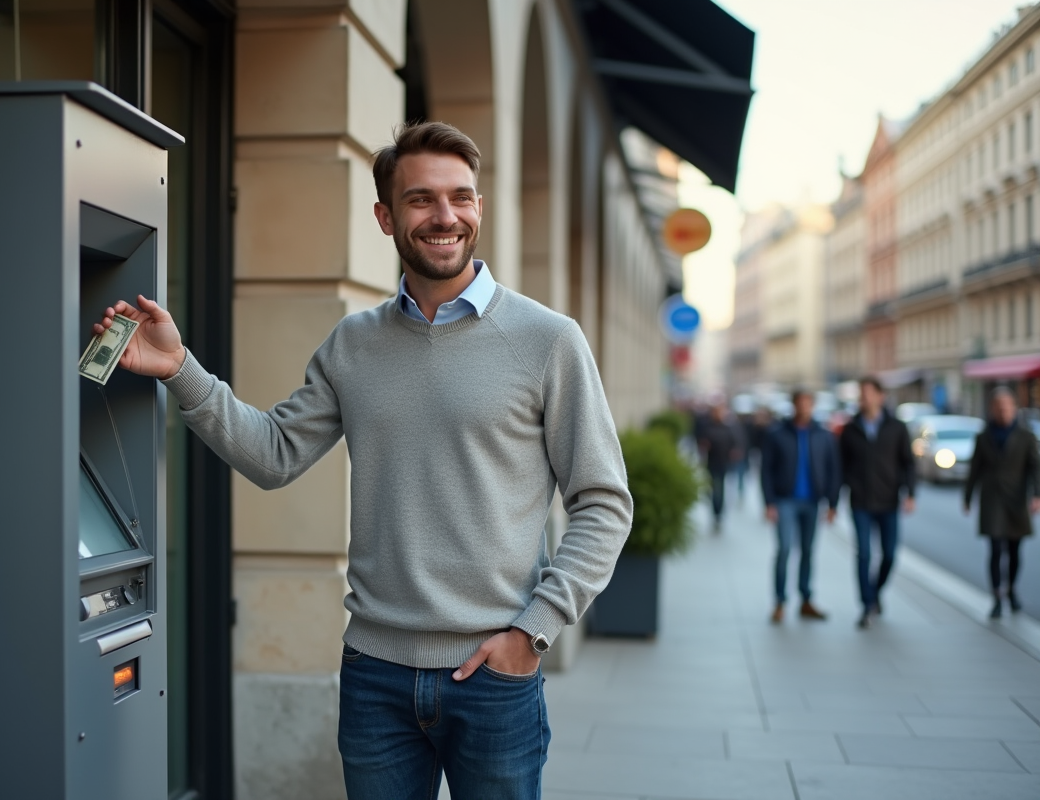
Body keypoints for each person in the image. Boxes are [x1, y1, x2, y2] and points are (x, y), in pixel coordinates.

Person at [91, 121, 633, 799]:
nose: (445, 217)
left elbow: (603, 502)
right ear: (385, 216)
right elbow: (274, 454)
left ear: (479, 207)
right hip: (376, 674)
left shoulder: (548, 340)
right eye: (421, 199)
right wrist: (180, 369)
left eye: (461, 197)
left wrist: (534, 631)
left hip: (495, 675)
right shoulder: (354, 343)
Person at [838, 376, 916, 629]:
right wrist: (834, 500)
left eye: (869, 393)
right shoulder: (851, 428)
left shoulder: (896, 427)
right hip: (860, 501)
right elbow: (841, 466)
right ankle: (867, 604)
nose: (864, 399)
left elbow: (908, 463)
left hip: (889, 500)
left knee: (889, 555)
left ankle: (876, 591)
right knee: (863, 554)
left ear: (881, 397)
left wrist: (910, 494)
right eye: (861, 394)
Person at [761, 390, 840, 623]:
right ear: (793, 405)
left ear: (813, 406)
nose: (804, 407)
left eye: (808, 403)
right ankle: (779, 601)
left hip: (812, 501)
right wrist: (769, 502)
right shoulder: (777, 434)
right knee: (784, 549)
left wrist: (833, 503)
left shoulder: (823, 435)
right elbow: (766, 469)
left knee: (808, 551)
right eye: (800, 403)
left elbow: (833, 470)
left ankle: (806, 599)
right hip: (785, 500)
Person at [963, 387, 1040, 619]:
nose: (1003, 411)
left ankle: (1011, 589)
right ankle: (997, 595)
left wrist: (1037, 495)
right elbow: (975, 469)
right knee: (996, 548)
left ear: (1014, 408)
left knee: (1015, 550)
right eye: (998, 407)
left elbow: (1035, 467)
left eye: (1006, 406)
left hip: (1016, 499)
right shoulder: (984, 436)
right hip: (992, 499)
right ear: (992, 409)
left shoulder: (1025, 436)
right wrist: (967, 497)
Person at [699, 402, 738, 532]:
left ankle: (718, 514)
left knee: (719, 491)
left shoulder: (728, 429)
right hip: (712, 464)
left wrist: (733, 454)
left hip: (723, 464)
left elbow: (734, 444)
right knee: (715, 490)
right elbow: (702, 444)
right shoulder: (708, 428)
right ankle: (716, 513)